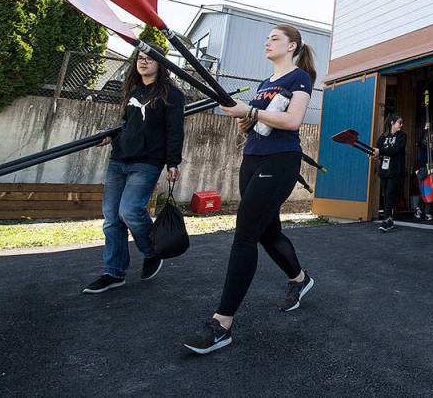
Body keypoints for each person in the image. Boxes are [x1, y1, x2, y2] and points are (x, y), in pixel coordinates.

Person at [182, 24, 317, 355]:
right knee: (266, 234)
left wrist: (251, 111)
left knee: (244, 234)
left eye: (275, 38)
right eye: (266, 38)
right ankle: (300, 280)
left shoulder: (299, 78)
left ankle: (222, 323)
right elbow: (260, 122)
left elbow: (293, 121)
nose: (267, 42)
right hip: (253, 157)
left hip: (280, 161)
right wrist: (247, 122)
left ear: (293, 46)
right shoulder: (263, 84)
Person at [82, 45, 184, 294]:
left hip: (147, 161)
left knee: (129, 210)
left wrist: (173, 162)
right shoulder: (133, 90)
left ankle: (152, 252)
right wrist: (110, 136)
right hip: (119, 158)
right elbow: (128, 124)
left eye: (150, 59)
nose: (144, 62)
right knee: (111, 218)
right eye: (140, 58)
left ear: (161, 64)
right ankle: (113, 272)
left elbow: (175, 130)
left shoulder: (171, 94)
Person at [373, 114, 407, 232]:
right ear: (392, 122)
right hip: (384, 170)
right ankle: (390, 219)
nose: (402, 125)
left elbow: (395, 150)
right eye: (400, 122)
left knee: (390, 194)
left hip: (395, 170)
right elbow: (377, 149)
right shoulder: (383, 136)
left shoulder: (402, 136)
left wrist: (380, 151)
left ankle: (386, 219)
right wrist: (374, 154)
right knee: (386, 195)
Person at [413, 121, 433, 221]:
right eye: (430, 137)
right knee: (424, 191)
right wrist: (425, 129)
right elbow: (418, 140)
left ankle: (424, 211)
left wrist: (432, 149)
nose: (431, 139)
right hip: (422, 170)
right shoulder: (422, 146)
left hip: (430, 170)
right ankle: (421, 210)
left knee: (429, 190)